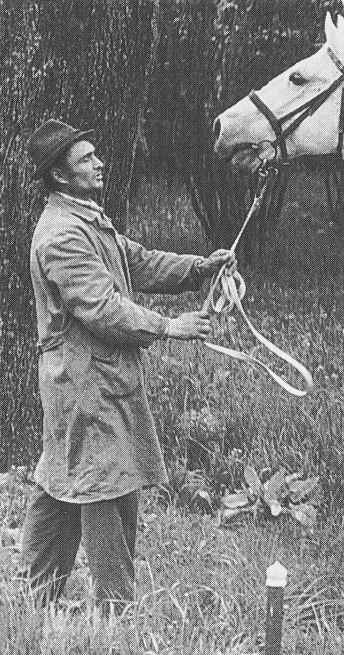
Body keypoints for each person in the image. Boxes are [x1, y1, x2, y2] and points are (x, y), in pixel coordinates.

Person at [22, 118, 233, 614]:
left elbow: (136, 262)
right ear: (59, 176)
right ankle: (114, 612)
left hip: (98, 380)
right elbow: (101, 307)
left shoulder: (86, 217)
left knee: (63, 480)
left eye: (95, 154)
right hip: (83, 384)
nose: (99, 163)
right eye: (85, 159)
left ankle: (33, 598)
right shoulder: (60, 236)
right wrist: (169, 327)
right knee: (106, 491)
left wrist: (198, 267)